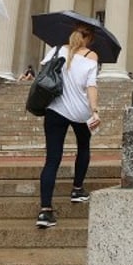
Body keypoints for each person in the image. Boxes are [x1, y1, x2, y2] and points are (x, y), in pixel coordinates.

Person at [35, 24, 100, 228]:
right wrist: (95, 110)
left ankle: (45, 211)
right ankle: (77, 189)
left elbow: (42, 71)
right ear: (88, 39)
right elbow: (91, 87)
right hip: (80, 112)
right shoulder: (91, 56)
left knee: (52, 160)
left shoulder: (55, 50)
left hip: (55, 110)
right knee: (83, 147)